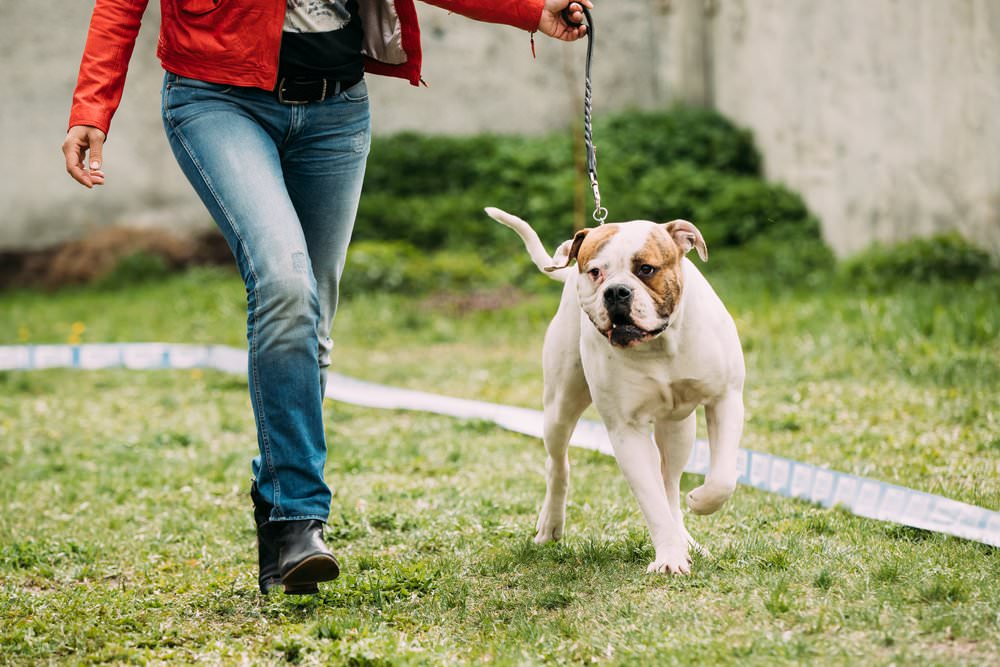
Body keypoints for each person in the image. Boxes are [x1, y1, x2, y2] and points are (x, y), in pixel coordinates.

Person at [62, 0, 593, 595]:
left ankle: (279, 507)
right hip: (218, 100)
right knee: (286, 286)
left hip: (335, 108)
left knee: (310, 322)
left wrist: (530, 8)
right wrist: (92, 105)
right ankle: (297, 519)